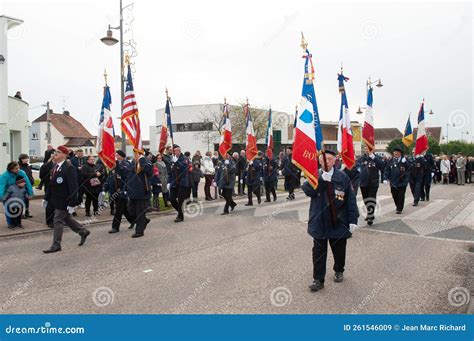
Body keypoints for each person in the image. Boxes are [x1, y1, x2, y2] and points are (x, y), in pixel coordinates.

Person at [302, 150, 359, 292]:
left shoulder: (342, 177)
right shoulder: (314, 175)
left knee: (339, 250)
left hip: (338, 221)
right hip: (319, 221)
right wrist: (321, 180)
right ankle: (318, 279)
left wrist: (353, 220)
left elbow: (350, 200)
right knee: (318, 252)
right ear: (319, 161)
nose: (326, 161)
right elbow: (309, 191)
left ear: (335, 161)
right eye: (323, 159)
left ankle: (339, 270)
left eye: (329, 159)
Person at [43, 145, 90, 253]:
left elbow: (73, 187)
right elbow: (51, 184)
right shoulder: (55, 167)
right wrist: (46, 198)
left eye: (58, 152)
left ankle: (56, 244)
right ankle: (83, 231)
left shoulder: (69, 168)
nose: (55, 154)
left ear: (64, 155)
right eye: (55, 152)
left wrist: (72, 203)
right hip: (56, 199)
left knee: (57, 220)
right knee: (67, 219)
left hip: (65, 200)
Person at [105, 150, 134, 233]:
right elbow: (110, 177)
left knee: (118, 209)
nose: (116, 156)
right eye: (115, 155)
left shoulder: (127, 164)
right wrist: (105, 187)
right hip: (114, 190)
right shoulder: (114, 165)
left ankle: (115, 227)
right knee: (124, 209)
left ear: (122, 156)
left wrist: (117, 166)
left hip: (122, 190)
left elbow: (125, 175)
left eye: (117, 155)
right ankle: (134, 220)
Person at [126, 150, 153, 238]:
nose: (135, 155)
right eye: (134, 153)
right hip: (132, 192)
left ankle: (139, 231)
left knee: (140, 212)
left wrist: (141, 160)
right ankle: (144, 221)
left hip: (142, 192)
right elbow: (128, 175)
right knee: (131, 212)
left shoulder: (146, 162)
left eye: (137, 153)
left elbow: (149, 171)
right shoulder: (132, 163)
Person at [0, 161, 34, 227]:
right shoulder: (4, 176)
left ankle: (17, 223)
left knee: (18, 211)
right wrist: (2, 197)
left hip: (19, 194)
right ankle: (10, 223)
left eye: (18, 168)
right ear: (11, 169)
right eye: (16, 168)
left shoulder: (22, 172)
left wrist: (30, 193)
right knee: (9, 210)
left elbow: (27, 183)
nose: (18, 169)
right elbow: (1, 187)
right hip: (8, 194)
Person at [357, 147, 385, 225]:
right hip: (363, 183)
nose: (367, 150)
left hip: (373, 182)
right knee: (366, 199)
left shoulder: (377, 158)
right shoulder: (361, 159)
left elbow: (382, 166)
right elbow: (357, 168)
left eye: (369, 148)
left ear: (373, 150)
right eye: (366, 148)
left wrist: (373, 157)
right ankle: (370, 213)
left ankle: (370, 215)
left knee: (371, 198)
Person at [168, 144, 192, 223]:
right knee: (171, 198)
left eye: (176, 151)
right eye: (173, 151)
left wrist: (177, 162)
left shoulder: (184, 159)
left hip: (182, 182)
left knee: (181, 200)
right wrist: (169, 182)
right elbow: (170, 172)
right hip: (174, 182)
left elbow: (184, 169)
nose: (174, 152)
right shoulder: (172, 159)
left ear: (179, 151)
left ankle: (180, 216)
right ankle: (180, 211)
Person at [384, 146, 411, 214]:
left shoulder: (405, 160)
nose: (396, 153)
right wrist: (385, 178)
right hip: (393, 182)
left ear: (400, 153)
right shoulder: (390, 161)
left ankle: (399, 208)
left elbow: (410, 168)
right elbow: (387, 170)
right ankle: (397, 205)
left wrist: (405, 163)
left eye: (397, 152)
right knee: (394, 195)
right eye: (395, 152)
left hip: (402, 182)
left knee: (401, 195)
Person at [39, 155, 55, 227]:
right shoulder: (47, 165)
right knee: (49, 205)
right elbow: (41, 174)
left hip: (58, 188)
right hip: (49, 187)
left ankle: (57, 220)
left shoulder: (60, 165)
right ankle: (49, 221)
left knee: (57, 205)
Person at [18, 154, 34, 218]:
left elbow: (30, 175)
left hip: (28, 185)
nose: (27, 159)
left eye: (27, 158)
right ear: (22, 159)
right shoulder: (18, 167)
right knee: (21, 200)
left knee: (27, 200)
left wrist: (32, 181)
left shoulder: (28, 166)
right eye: (26, 158)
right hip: (21, 186)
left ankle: (27, 213)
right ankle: (21, 214)